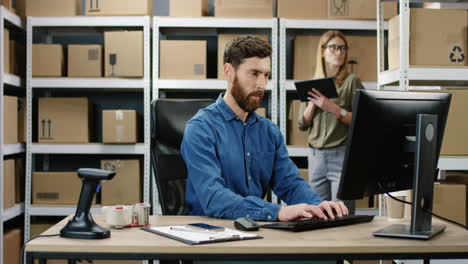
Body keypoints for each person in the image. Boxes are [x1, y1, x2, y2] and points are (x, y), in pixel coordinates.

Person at [181, 35, 348, 222]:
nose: (261, 85)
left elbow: (290, 184)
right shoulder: (201, 129)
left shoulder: (269, 132)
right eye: (253, 73)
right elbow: (214, 198)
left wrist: (318, 206)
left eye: (266, 75)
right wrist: (278, 212)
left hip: (253, 230)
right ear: (228, 71)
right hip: (209, 235)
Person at [297, 30, 365, 205]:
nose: (339, 52)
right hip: (315, 156)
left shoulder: (351, 81)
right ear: (322, 51)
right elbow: (302, 124)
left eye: (343, 48)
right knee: (318, 213)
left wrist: (332, 108)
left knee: (342, 214)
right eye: (334, 47)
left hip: (340, 155)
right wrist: (313, 103)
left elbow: (362, 121)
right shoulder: (312, 83)